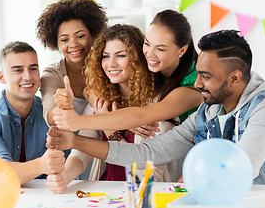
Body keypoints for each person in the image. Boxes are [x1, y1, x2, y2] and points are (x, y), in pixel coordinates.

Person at [48, 30, 265, 185]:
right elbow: (146, 154)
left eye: (205, 76)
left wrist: (186, 181)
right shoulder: (206, 113)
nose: (197, 83)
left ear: (235, 78)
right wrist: (75, 142)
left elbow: (240, 168)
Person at [47, 24, 176, 193]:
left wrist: (111, 131)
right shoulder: (101, 100)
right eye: (105, 56)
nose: (111, 64)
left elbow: (148, 177)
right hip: (105, 191)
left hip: (140, 198)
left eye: (121, 55)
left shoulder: (159, 106)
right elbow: (82, 152)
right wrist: (65, 177)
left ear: (139, 58)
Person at [52, 9, 203, 138]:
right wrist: (121, 117)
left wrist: (77, 121)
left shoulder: (195, 86)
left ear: (182, 50)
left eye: (161, 49)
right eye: (147, 43)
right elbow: (90, 90)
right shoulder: (152, 67)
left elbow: (142, 115)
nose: (149, 54)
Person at [0, 41, 65, 185]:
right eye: (18, 70)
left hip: (48, 198)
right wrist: (42, 164)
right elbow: (0, 173)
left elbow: (66, 167)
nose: (28, 77)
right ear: (2, 77)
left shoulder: (50, 112)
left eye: (33, 68)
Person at [36, 0, 108, 127]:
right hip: (70, 144)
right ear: (55, 42)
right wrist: (62, 107)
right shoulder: (52, 74)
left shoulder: (107, 63)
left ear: (92, 35)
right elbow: (49, 116)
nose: (73, 44)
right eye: (64, 40)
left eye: (80, 36)